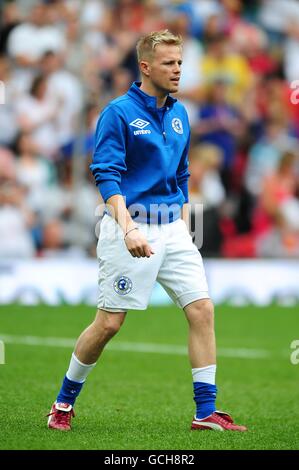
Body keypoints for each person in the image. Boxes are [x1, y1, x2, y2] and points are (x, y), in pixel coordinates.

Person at [47, 30, 247, 432]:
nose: (178, 70)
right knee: (109, 323)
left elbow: (183, 173)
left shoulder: (179, 113)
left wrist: (186, 225)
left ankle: (205, 412)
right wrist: (128, 229)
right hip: (130, 226)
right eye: (169, 63)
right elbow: (106, 176)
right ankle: (62, 404)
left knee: (202, 309)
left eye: (180, 63)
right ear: (145, 67)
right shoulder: (118, 113)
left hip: (172, 229)